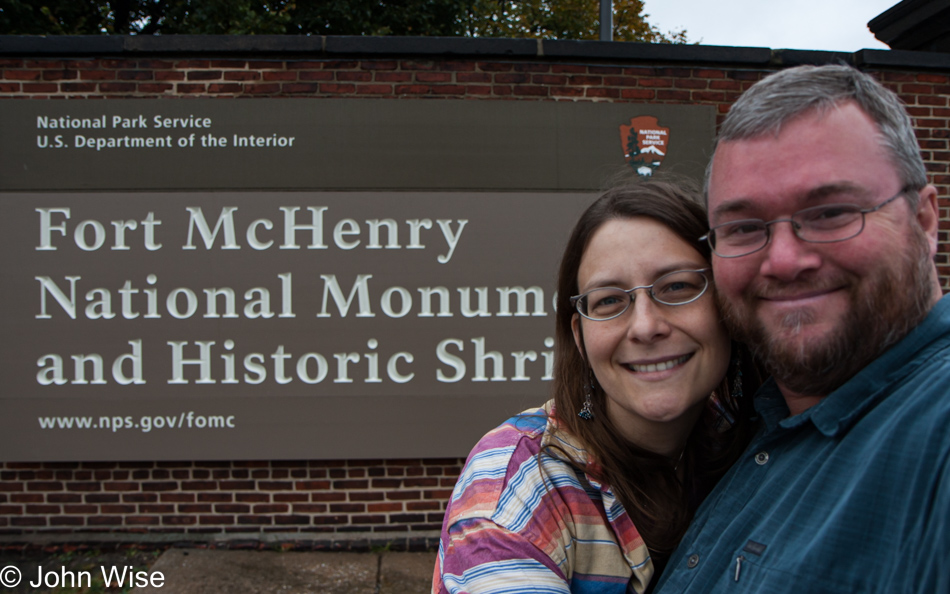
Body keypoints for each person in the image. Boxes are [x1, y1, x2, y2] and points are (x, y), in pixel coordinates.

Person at [655, 64, 949, 593]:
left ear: (925, 221)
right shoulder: (743, 430)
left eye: (831, 212)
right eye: (744, 228)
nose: (784, 260)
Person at [432, 180, 757, 594]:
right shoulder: (515, 482)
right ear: (580, 337)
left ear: (727, 304)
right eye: (609, 301)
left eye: (677, 287)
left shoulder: (757, 451)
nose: (645, 327)